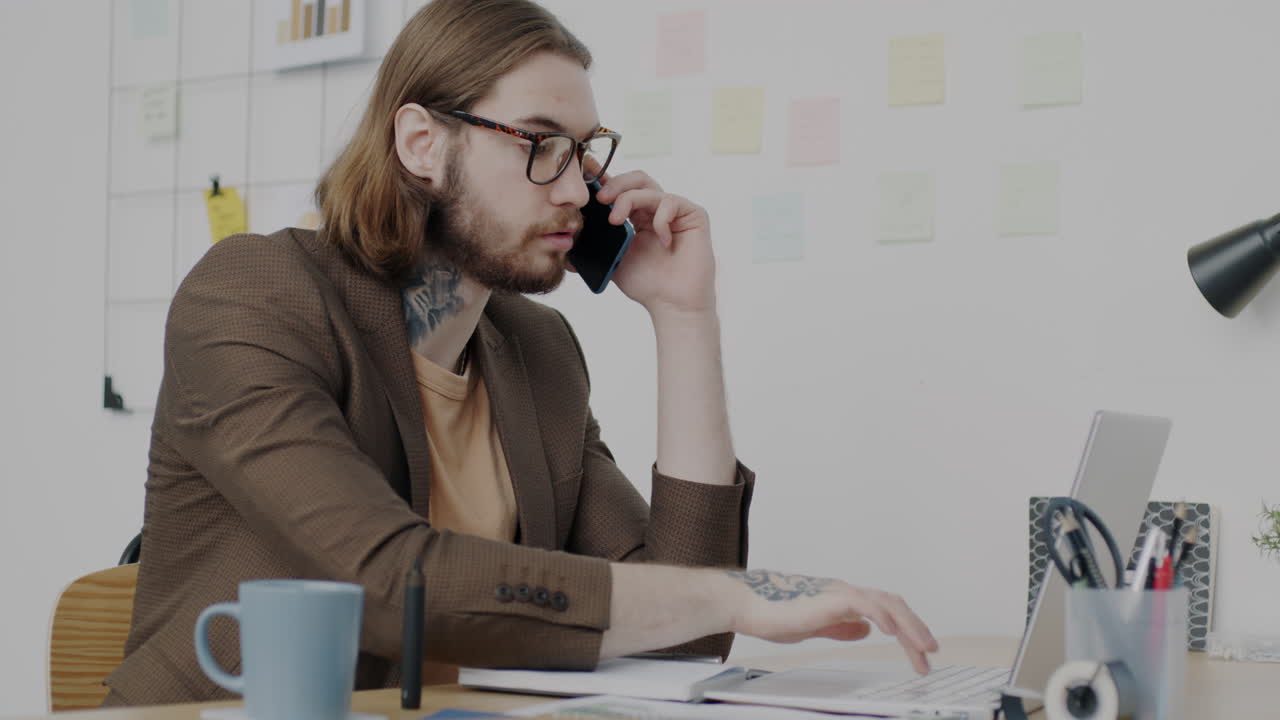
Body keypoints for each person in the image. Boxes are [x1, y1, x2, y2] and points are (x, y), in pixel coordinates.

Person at [103, 0, 936, 706]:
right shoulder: (254, 294)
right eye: (539, 143)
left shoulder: (537, 351)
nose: (578, 189)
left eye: (583, 152)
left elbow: (686, 638)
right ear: (423, 144)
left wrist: (686, 318)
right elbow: (392, 584)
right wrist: (733, 594)